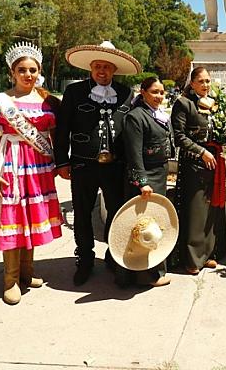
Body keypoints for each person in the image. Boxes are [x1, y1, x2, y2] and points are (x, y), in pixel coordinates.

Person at [0, 42, 63, 304]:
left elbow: (55, 137)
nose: (28, 74)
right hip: (12, 163)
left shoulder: (48, 102)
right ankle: (10, 279)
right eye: (22, 70)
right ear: (12, 73)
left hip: (39, 167)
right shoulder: (2, 101)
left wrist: (58, 163)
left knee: (32, 216)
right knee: (13, 217)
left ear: (39, 72)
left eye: (33, 70)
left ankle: (27, 272)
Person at [54, 41, 141, 286]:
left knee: (116, 211)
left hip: (116, 167)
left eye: (107, 67)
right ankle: (85, 259)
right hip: (83, 165)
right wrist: (62, 161)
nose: (102, 71)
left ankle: (113, 256)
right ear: (90, 68)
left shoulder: (125, 94)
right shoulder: (74, 92)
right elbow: (63, 129)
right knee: (82, 213)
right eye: (97, 67)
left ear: (114, 70)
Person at [171, 67, 226, 274]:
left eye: (208, 81)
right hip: (193, 164)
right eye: (201, 81)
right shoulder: (183, 103)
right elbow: (179, 136)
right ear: (192, 83)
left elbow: (217, 130)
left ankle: (207, 254)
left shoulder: (214, 103)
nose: (205, 85)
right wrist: (201, 152)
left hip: (213, 163)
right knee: (195, 212)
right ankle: (192, 260)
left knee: (210, 210)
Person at [120, 77, 175, 287]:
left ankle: (153, 271)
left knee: (154, 224)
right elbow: (134, 154)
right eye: (154, 92)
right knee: (142, 227)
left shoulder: (160, 116)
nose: (159, 96)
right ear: (142, 92)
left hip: (159, 175)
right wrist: (142, 181)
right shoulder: (135, 117)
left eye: (162, 92)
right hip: (146, 179)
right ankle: (143, 276)